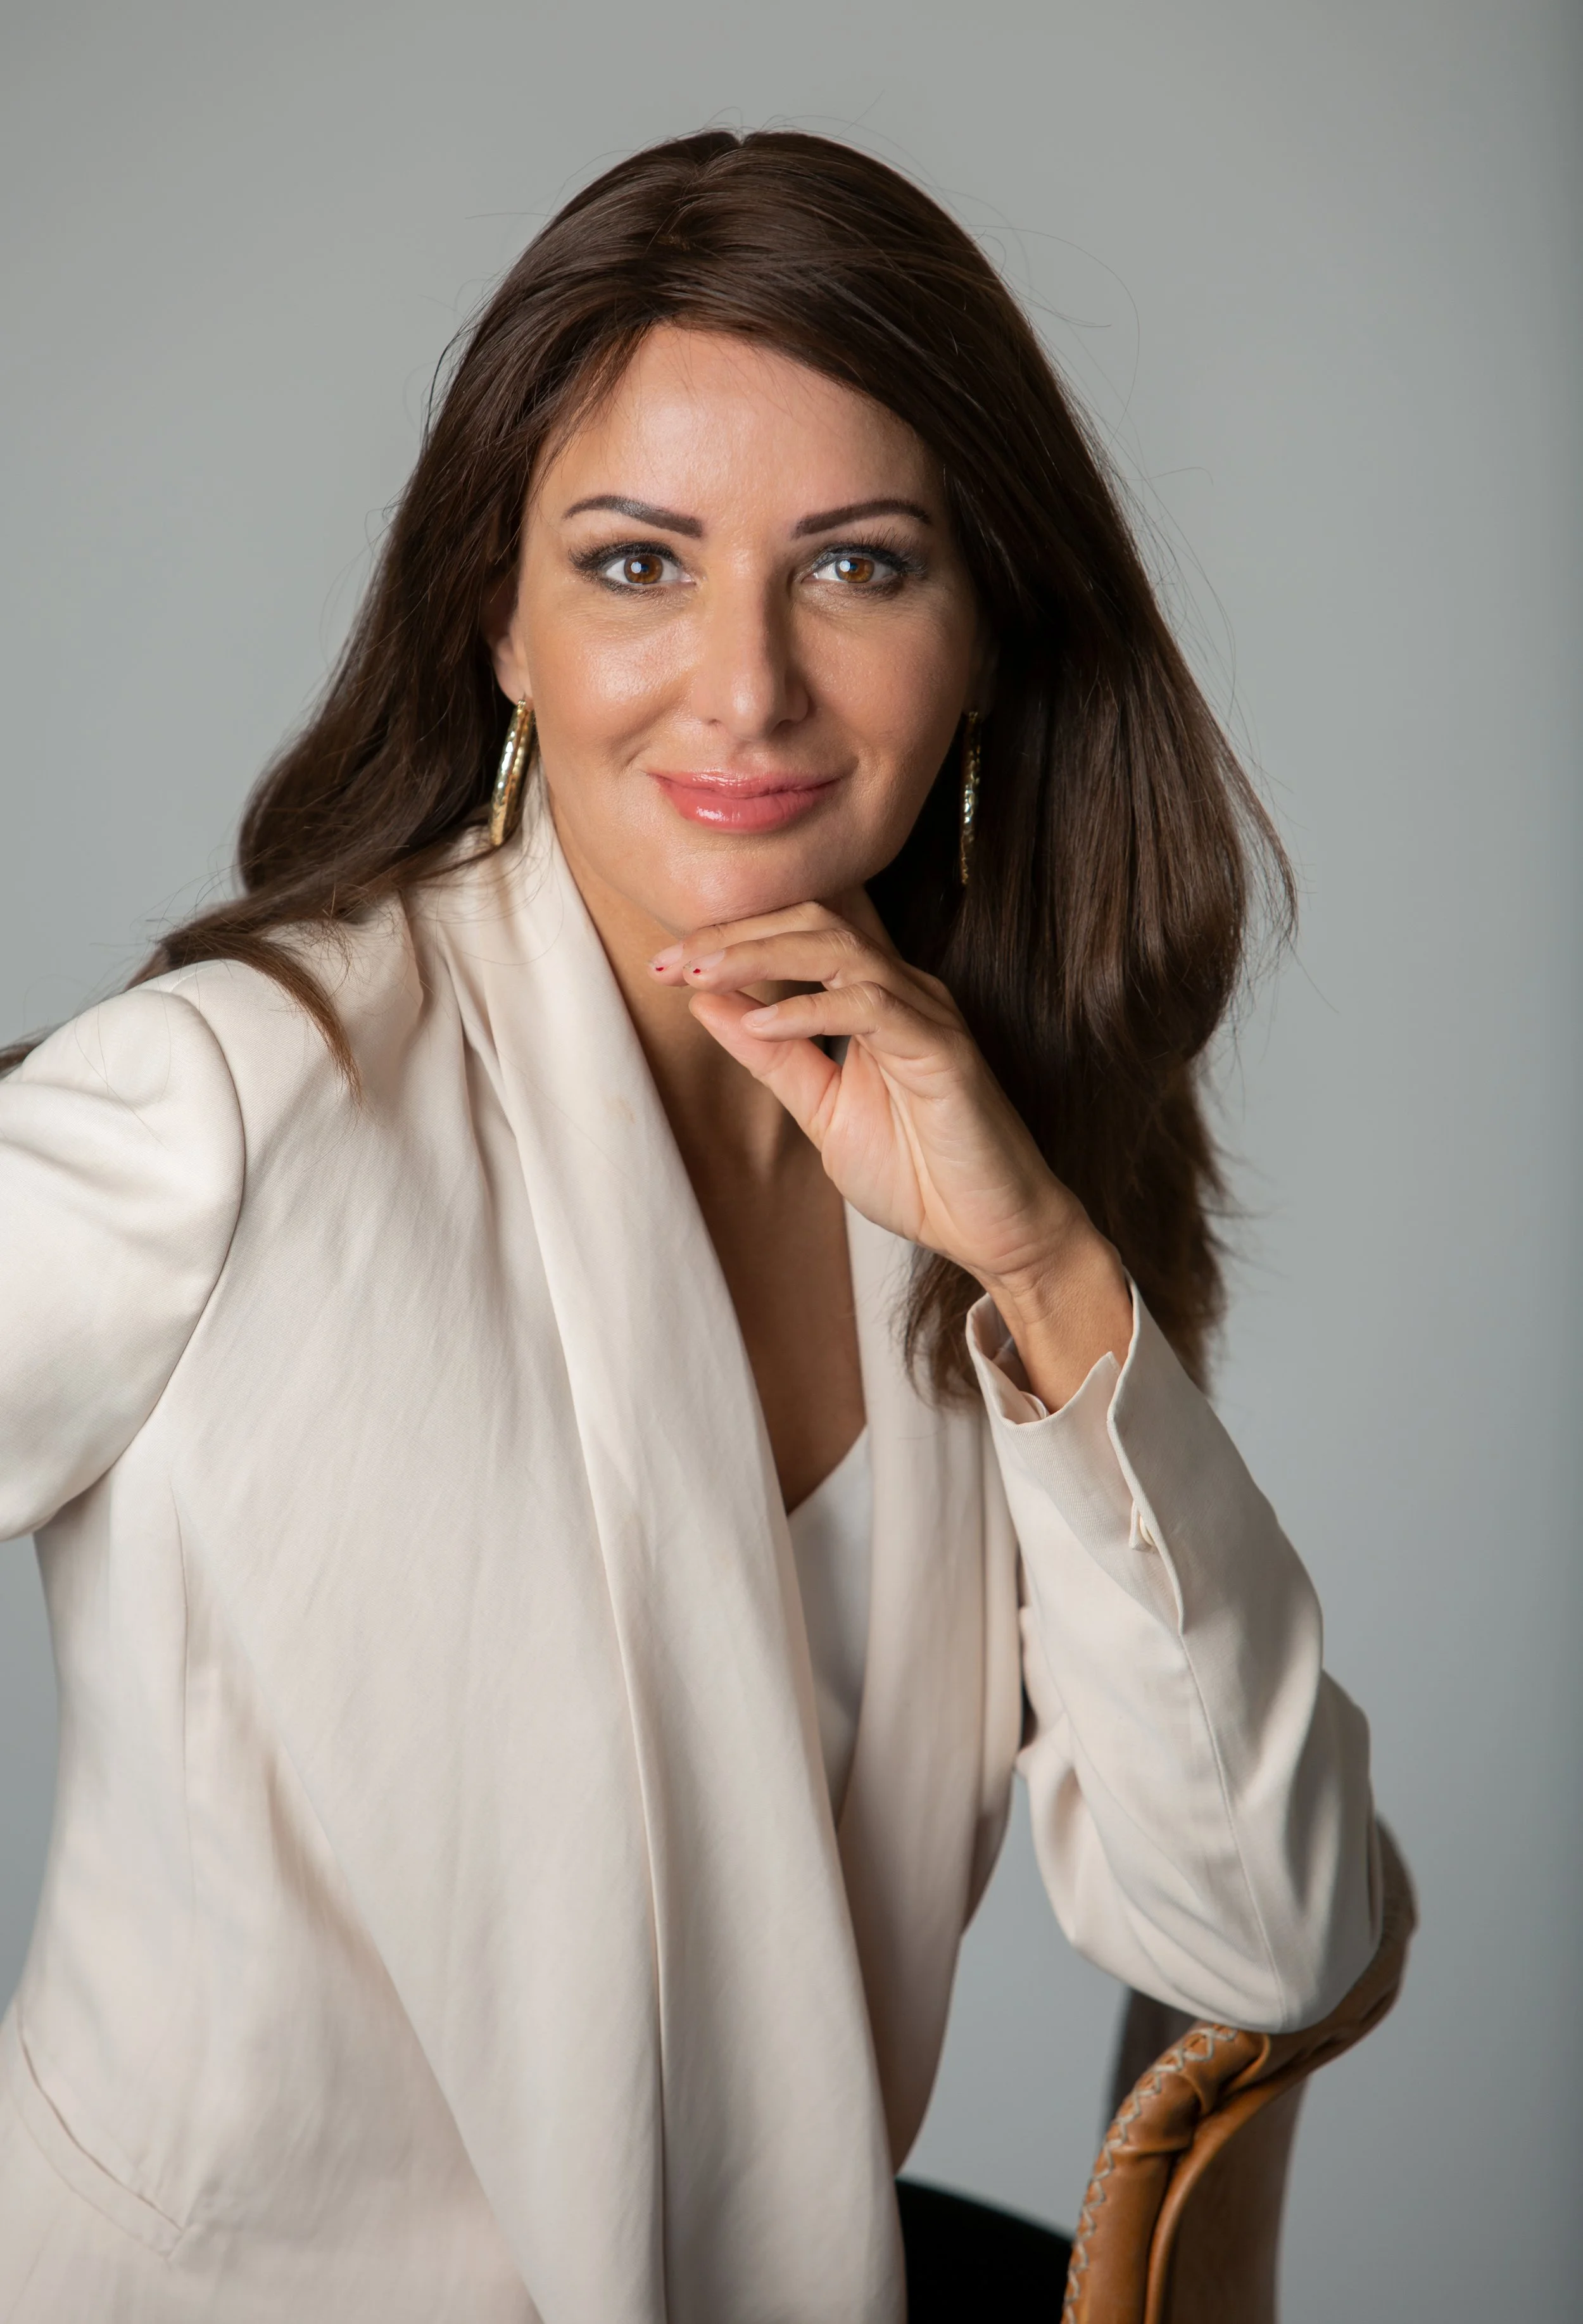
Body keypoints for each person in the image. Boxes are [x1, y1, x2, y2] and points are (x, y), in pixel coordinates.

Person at [0, 130, 1378, 2323]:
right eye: (638, 565)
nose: (743, 690)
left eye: (854, 567)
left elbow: (1264, 1933)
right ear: (501, 625)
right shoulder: (240, 1103)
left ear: (988, 636)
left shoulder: (980, 1171)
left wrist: (1036, 1264)